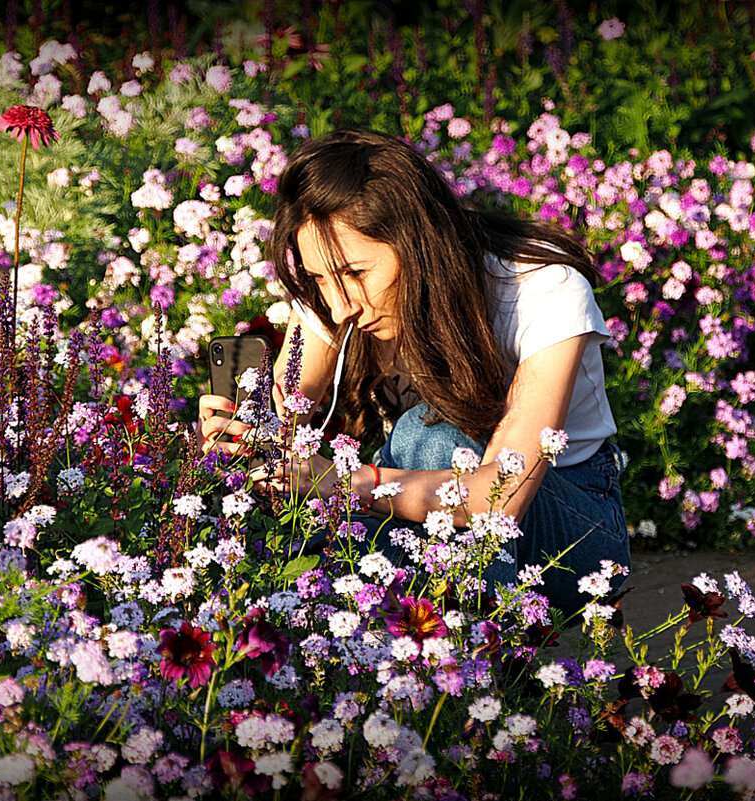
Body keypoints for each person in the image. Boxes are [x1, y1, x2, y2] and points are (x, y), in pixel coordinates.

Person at [198, 129, 628, 613]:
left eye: (357, 274)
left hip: (573, 537)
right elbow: (286, 404)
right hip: (426, 513)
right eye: (320, 279)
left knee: (433, 434)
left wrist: (345, 483)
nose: (340, 307)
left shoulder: (541, 289)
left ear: (418, 243)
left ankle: (465, 665)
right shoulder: (337, 282)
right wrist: (244, 436)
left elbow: (501, 496)